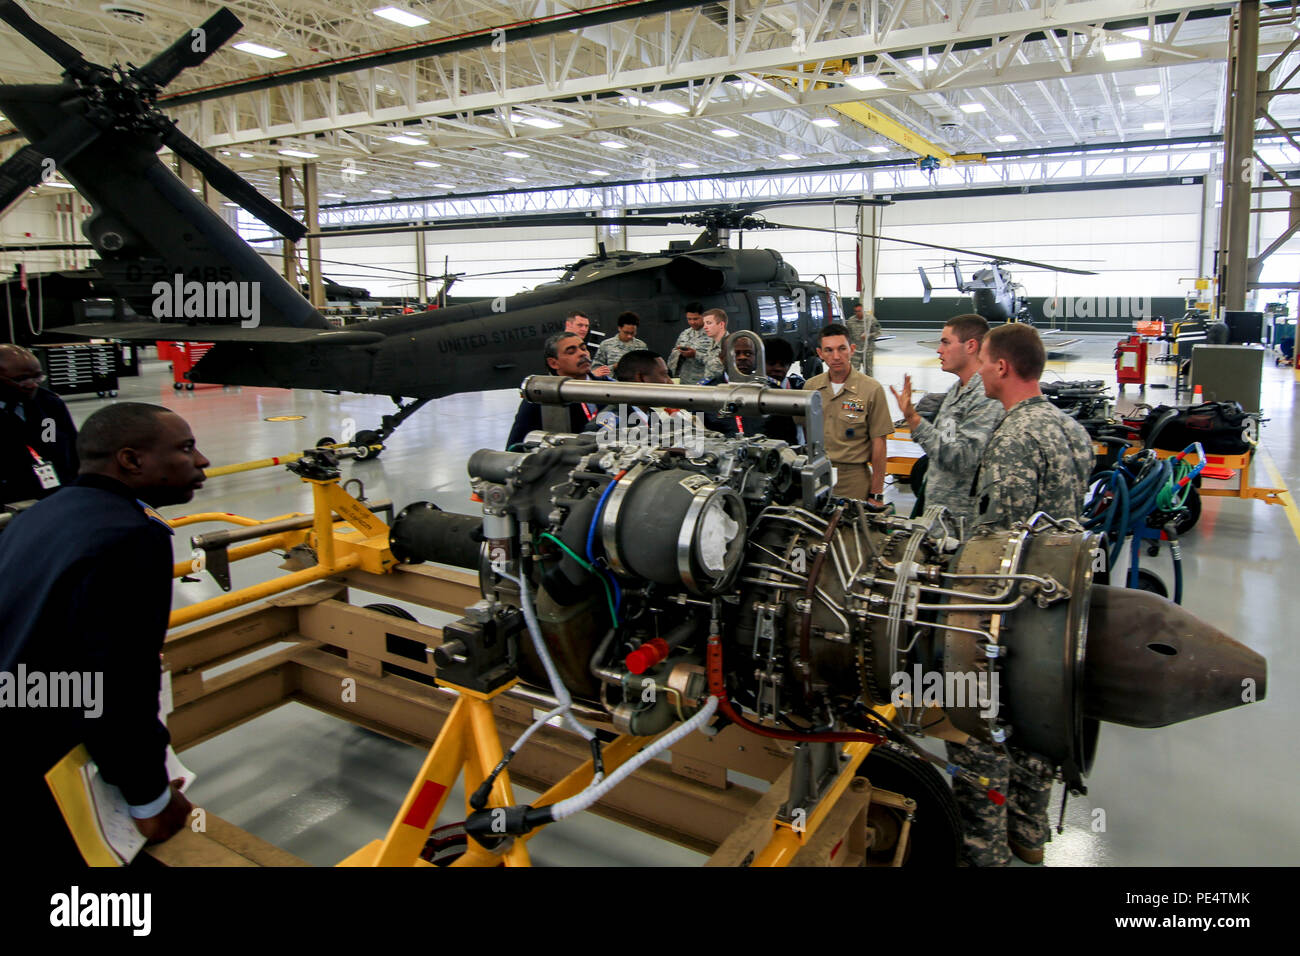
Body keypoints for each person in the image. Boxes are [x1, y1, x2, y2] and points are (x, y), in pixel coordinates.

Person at [1, 403, 209, 866]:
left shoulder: (40, 514)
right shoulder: (130, 536)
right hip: (44, 758)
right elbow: (118, 686)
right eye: (186, 448)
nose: (202, 461)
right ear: (131, 460)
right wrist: (150, 799)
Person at [948, 323, 1095, 868]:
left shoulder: (1013, 438)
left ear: (1002, 367)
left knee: (984, 736)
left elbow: (999, 551)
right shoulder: (1072, 431)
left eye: (984, 361)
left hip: (1009, 621)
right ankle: (1029, 838)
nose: (980, 369)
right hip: (1056, 612)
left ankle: (984, 853)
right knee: (1037, 733)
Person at [889, 314, 1003, 532]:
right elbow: (942, 444)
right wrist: (915, 420)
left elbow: (961, 458)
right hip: (941, 519)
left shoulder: (984, 397)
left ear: (970, 346)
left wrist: (914, 420)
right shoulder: (956, 390)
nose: (939, 350)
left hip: (964, 525)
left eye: (946, 342)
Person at [802, 323, 893, 502]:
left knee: (852, 528)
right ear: (820, 354)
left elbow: (879, 444)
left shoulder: (871, 390)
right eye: (828, 350)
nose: (836, 356)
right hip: (817, 473)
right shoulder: (811, 388)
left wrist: (876, 492)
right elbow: (804, 428)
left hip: (854, 478)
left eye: (841, 348)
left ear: (852, 349)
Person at [0, 344, 79, 506]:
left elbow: (73, 450)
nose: (32, 385)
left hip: (56, 497)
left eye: (37, 377)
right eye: (21, 379)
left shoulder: (49, 404)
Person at [506, 331, 601, 448]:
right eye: (571, 351)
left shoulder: (611, 388)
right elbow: (515, 447)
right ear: (553, 363)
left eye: (583, 348)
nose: (582, 354)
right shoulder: (540, 399)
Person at [701, 335, 764, 437]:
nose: (742, 357)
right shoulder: (704, 393)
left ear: (757, 357)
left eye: (748, 353)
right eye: (735, 354)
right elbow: (695, 438)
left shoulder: (771, 391)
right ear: (722, 358)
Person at [763, 337, 804, 446]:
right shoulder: (754, 391)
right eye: (772, 363)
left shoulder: (800, 387)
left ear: (790, 365)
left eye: (783, 364)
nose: (778, 368)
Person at [668, 302, 710, 383]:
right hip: (685, 380)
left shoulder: (714, 334)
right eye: (689, 319)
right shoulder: (685, 334)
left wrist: (695, 355)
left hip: (704, 382)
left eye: (695, 319)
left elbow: (720, 361)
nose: (692, 322)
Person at [847, 303, 883, 376]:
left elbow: (878, 332)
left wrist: (869, 335)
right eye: (856, 311)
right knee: (853, 372)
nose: (858, 313)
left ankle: (869, 387)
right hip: (855, 351)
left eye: (859, 311)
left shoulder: (871, 319)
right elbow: (848, 335)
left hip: (868, 351)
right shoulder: (851, 321)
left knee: (868, 372)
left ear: (863, 310)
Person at [698, 307, 730, 381]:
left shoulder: (730, 345)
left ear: (721, 324)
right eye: (704, 323)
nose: (705, 327)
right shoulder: (711, 343)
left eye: (709, 323)